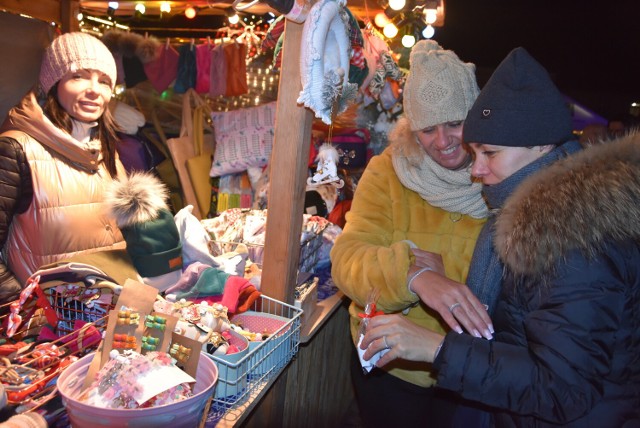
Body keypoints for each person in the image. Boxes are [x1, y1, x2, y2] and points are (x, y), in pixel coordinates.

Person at [361, 47, 640, 427]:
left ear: (541, 146)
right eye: (474, 152)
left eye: (489, 153)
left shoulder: (577, 238)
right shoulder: (530, 212)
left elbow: (562, 389)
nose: (476, 169)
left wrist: (439, 349)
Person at [330, 40, 492, 427]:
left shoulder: (500, 173)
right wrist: (414, 274)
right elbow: (347, 259)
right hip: (394, 368)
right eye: (427, 128)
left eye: (455, 122)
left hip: (470, 371)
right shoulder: (389, 171)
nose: (443, 141)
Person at [0, 32, 127, 304]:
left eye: (104, 81)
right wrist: (26, 305)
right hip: (46, 327)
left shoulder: (104, 151)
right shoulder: (16, 150)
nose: (94, 89)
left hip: (106, 311)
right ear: (53, 83)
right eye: (78, 76)